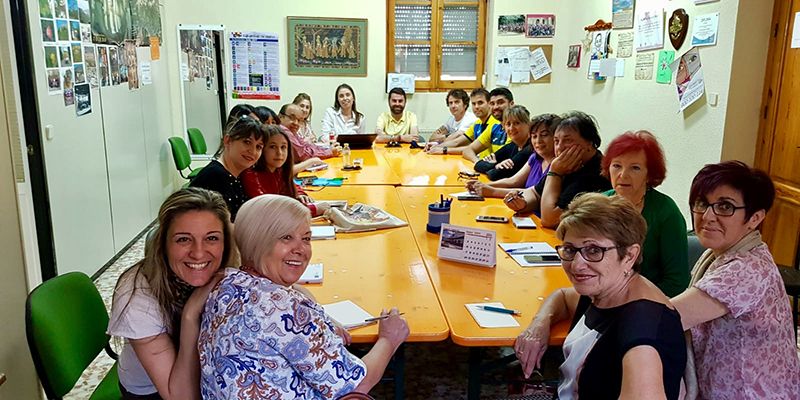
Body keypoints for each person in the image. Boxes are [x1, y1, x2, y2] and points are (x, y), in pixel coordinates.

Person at [199, 195, 410, 398]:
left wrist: (317, 318)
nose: (301, 249)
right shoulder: (285, 310)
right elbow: (355, 387)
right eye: (286, 237)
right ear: (258, 241)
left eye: (306, 238)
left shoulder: (225, 284)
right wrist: (389, 339)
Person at [514, 193, 686, 399]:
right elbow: (562, 297)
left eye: (594, 250)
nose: (577, 265)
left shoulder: (641, 339)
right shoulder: (606, 286)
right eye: (569, 249)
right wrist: (540, 323)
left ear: (630, 255)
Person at [671, 161, 800, 399]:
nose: (707, 216)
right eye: (701, 203)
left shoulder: (747, 270)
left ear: (755, 218)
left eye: (725, 206)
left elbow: (668, 317)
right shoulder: (726, 251)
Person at [108, 188, 237, 399]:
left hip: (207, 370)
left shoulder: (226, 269)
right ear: (164, 244)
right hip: (155, 391)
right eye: (183, 239)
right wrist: (190, 315)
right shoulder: (136, 298)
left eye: (211, 238)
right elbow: (180, 396)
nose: (198, 253)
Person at [601, 131, 688, 297]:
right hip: (599, 294)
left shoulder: (666, 212)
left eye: (635, 168)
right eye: (616, 165)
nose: (623, 175)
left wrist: (630, 299)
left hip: (647, 301)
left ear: (649, 175)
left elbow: (677, 282)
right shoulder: (600, 203)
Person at [504, 111, 611, 228]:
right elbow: (535, 192)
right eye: (556, 141)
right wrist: (522, 203)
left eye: (568, 140)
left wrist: (554, 173)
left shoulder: (597, 172)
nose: (559, 147)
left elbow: (550, 220)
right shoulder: (566, 164)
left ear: (590, 143)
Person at [240, 125, 330, 217]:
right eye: (272, 147)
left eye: (283, 147)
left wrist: (299, 193)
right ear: (262, 149)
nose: (279, 153)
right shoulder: (250, 175)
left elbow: (291, 187)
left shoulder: (279, 170)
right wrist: (313, 209)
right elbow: (271, 210)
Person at [190, 115, 266, 221]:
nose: (253, 151)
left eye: (258, 147)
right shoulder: (214, 175)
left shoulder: (237, 174)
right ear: (227, 141)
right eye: (247, 142)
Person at [466, 113, 558, 198]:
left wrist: (492, 190)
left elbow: (533, 193)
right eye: (534, 136)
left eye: (544, 135)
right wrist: (481, 185)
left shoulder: (557, 164)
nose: (538, 141)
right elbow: (513, 181)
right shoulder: (534, 157)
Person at [426, 88, 500, 158]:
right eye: (474, 104)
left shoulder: (495, 123)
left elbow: (471, 148)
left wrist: (443, 149)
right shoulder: (477, 123)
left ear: (489, 104)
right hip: (479, 161)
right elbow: (456, 142)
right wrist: (436, 146)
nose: (476, 107)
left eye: (480, 103)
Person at [472, 105, 533, 181]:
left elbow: (497, 174)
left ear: (528, 125)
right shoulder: (512, 145)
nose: (511, 128)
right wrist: (496, 165)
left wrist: (494, 166)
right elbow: (478, 165)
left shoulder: (530, 148)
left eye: (517, 123)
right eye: (508, 124)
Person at [461, 87, 514, 162]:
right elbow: (467, 150)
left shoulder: (515, 128)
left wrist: (485, 165)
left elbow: (504, 158)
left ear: (511, 104)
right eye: (492, 103)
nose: (495, 107)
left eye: (500, 102)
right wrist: (478, 162)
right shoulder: (494, 127)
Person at [279, 103, 340, 167]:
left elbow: (306, 146)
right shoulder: (283, 131)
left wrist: (328, 150)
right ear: (280, 116)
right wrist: (329, 152)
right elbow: (302, 155)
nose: (296, 123)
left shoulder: (292, 131)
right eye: (292, 117)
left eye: (299, 120)